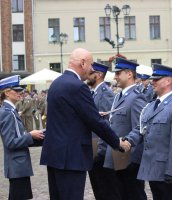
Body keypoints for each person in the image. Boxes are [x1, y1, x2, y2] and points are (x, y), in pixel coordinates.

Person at [40, 48, 130, 200]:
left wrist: (90, 115)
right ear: (82, 63)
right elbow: (95, 122)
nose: (92, 69)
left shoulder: (57, 83)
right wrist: (117, 142)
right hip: (71, 158)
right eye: (90, 64)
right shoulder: (78, 86)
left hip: (55, 156)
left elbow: (66, 116)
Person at [125, 64, 172, 200]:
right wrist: (127, 140)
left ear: (168, 81)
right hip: (152, 168)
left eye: (156, 79)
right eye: (152, 79)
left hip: (167, 171)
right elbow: (141, 128)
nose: (152, 82)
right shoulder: (150, 106)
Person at [103, 57, 147, 200]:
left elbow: (140, 127)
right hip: (117, 157)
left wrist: (133, 161)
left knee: (134, 194)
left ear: (129, 74)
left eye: (118, 73)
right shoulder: (118, 97)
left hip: (128, 160)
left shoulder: (136, 98)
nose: (115, 77)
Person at [0, 75, 44, 200]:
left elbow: (18, 136)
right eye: (17, 90)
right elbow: (11, 142)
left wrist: (35, 136)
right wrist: (30, 135)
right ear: (7, 93)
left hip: (18, 166)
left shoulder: (10, 111)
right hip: (17, 166)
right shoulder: (8, 113)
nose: (21, 93)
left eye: (21, 90)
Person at [86, 62, 120, 200]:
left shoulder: (105, 94)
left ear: (98, 75)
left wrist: (101, 151)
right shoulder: (93, 93)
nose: (87, 76)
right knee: (98, 190)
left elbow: (107, 124)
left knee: (107, 191)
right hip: (93, 150)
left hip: (101, 152)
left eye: (90, 73)